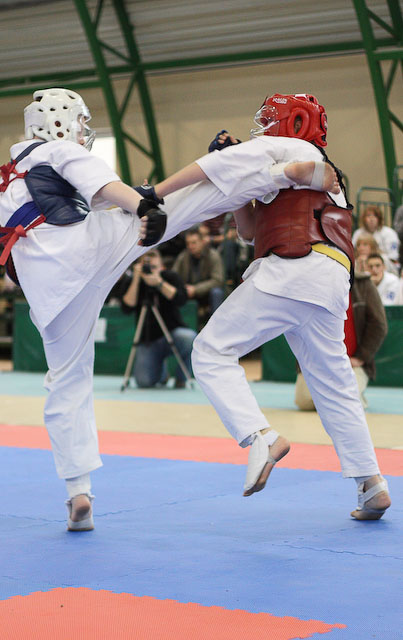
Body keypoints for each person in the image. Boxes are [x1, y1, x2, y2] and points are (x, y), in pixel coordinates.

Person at [0, 86, 342, 532]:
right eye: (79, 122)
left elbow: (86, 209)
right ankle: (280, 173)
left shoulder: (10, 183)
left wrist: (135, 200)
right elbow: (107, 186)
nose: (82, 131)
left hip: (51, 294)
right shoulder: (57, 150)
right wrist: (144, 205)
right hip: (82, 250)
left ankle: (78, 493)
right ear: (58, 122)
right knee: (186, 201)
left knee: (66, 381)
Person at [149, 93, 391, 521]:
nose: (261, 128)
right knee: (333, 385)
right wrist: (245, 182)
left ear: (293, 123)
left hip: (293, 270)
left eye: (269, 120)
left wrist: (155, 191)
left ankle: (260, 435)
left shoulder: (287, 148)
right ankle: (371, 484)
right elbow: (248, 230)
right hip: (329, 279)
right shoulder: (291, 163)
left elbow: (227, 170)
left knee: (210, 351)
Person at [295, 271, 388, 410]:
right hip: (316, 362)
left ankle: (352, 398)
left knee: (348, 402)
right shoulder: (310, 282)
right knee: (305, 401)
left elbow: (379, 325)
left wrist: (361, 358)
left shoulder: (364, 284)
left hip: (353, 363)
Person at [120, 249, 196, 388]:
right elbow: (126, 308)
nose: (150, 270)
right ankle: (162, 373)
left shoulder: (170, 277)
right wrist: (136, 279)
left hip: (172, 333)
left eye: (154, 267)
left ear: (162, 267)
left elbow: (181, 299)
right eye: (146, 266)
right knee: (144, 382)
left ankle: (182, 378)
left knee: (189, 338)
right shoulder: (133, 280)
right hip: (148, 339)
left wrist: (159, 283)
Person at [173, 226, 225, 327]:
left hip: (207, 292)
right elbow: (174, 276)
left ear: (202, 242)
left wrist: (196, 289)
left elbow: (218, 280)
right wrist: (183, 288)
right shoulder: (183, 257)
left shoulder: (213, 255)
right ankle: (179, 326)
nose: (190, 246)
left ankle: (217, 326)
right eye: (188, 243)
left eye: (194, 243)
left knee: (217, 292)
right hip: (188, 291)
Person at [353, 204, 400, 274]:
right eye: (368, 216)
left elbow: (393, 258)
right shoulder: (358, 233)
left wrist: (371, 259)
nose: (371, 219)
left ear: (379, 218)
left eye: (375, 216)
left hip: (386, 268)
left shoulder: (389, 233)